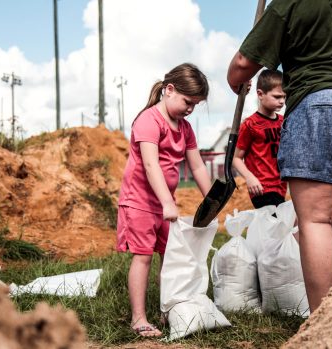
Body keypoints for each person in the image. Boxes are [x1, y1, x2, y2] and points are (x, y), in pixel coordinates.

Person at [227, 0, 332, 312]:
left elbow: (242, 65)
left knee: (317, 220)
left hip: (322, 103)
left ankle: (324, 328)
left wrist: (234, 80)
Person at [116, 63, 212, 337]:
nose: (190, 109)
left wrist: (212, 199)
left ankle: (166, 309)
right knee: (143, 257)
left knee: (168, 258)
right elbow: (150, 165)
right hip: (140, 202)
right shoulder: (149, 120)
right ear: (169, 90)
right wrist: (167, 202)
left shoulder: (185, 128)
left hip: (164, 204)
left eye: (195, 105)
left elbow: (196, 167)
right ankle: (139, 318)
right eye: (187, 102)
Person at [233, 69, 287, 209]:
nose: (282, 101)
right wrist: (249, 178)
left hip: (281, 186)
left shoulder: (284, 122)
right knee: (277, 227)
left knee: (276, 228)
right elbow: (236, 158)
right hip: (261, 187)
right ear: (260, 94)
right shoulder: (250, 125)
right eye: (277, 97)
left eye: (284, 97)